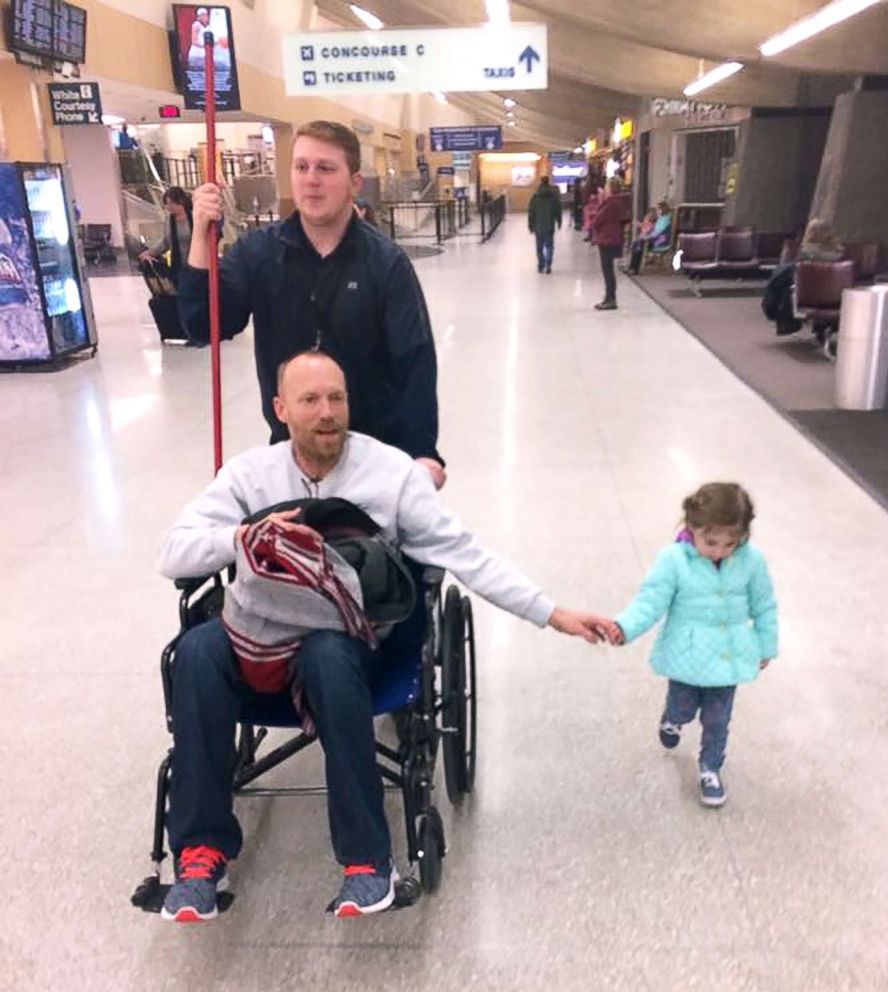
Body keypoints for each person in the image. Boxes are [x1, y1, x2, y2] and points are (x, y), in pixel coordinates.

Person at [157, 351, 612, 923]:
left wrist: (552, 613)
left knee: (326, 655)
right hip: (264, 636)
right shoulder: (250, 475)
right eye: (310, 400)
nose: (328, 413)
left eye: (337, 398)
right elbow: (172, 551)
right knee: (196, 652)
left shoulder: (391, 474)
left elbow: (466, 555)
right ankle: (201, 854)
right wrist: (245, 536)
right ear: (280, 410)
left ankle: (369, 862)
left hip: (351, 641)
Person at [179, 120, 446, 489]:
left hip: (376, 460)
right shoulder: (259, 253)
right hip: (292, 460)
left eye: (326, 168)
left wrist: (423, 452)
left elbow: (414, 359)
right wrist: (199, 233)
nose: (311, 179)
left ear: (355, 183)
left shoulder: (385, 263)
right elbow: (203, 323)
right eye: (301, 167)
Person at [604, 483, 778, 808]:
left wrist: (765, 645)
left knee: (718, 719)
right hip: (687, 654)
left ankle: (710, 768)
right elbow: (650, 601)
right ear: (691, 528)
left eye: (731, 543)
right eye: (710, 542)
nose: (720, 551)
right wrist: (625, 627)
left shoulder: (751, 562)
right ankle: (672, 717)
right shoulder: (673, 560)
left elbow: (764, 605)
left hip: (729, 656)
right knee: (684, 706)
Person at [590, 179, 632, 311]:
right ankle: (609, 297)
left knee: (607, 270)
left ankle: (610, 299)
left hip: (607, 238)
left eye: (607, 186)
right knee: (609, 270)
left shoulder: (611, 203)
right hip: (614, 237)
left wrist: (593, 219)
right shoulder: (620, 203)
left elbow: (598, 220)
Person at [138, 187, 194, 283]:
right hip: (178, 266)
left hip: (194, 265)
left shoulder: (194, 218)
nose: (168, 207)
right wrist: (150, 253)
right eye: (166, 204)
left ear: (181, 201)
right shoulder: (169, 220)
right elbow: (166, 242)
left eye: (171, 204)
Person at [527, 175, 562, 274]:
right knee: (549, 246)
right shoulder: (553, 197)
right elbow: (558, 210)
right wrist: (559, 221)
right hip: (549, 226)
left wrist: (530, 224)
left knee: (539, 247)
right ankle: (548, 265)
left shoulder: (535, 197)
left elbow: (531, 212)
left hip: (538, 226)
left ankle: (541, 265)